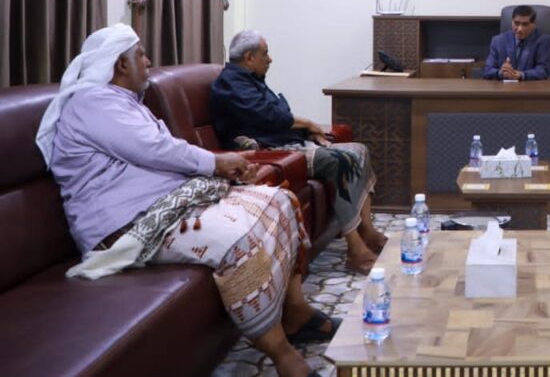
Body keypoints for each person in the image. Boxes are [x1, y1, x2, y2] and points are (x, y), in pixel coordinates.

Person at [36, 24, 332, 377]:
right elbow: (155, 149)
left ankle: (296, 312)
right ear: (121, 64)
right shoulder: (93, 103)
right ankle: (282, 354)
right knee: (239, 241)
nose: (148, 61)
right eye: (140, 55)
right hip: (126, 226)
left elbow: (158, 156)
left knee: (279, 201)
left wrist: (222, 168)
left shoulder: (120, 102)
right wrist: (217, 164)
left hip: (164, 205)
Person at [211, 30, 388, 275]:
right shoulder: (230, 84)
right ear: (249, 57)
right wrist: (307, 124)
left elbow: (277, 116)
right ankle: (356, 250)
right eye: (265, 53)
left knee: (360, 150)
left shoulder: (250, 79)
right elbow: (270, 117)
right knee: (342, 160)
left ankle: (366, 230)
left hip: (286, 142)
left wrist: (308, 132)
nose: (270, 59)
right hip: (270, 151)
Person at [482, 5, 550, 81]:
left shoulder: (542, 40)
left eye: (525, 24)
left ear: (533, 24)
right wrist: (501, 73)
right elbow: (487, 70)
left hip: (530, 87)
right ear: (512, 21)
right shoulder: (498, 41)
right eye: (516, 23)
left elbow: (543, 70)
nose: (519, 29)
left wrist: (521, 75)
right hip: (503, 87)